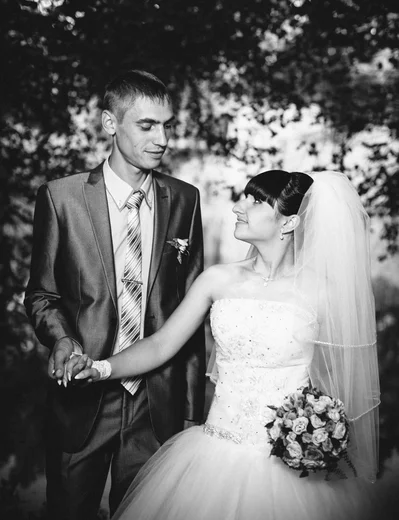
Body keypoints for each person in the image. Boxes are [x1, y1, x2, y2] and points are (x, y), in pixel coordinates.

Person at [66, 170, 381, 520]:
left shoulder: (322, 293)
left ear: (290, 222)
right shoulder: (217, 279)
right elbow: (159, 345)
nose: (238, 208)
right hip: (212, 456)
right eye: (243, 196)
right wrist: (100, 368)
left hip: (287, 469)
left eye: (256, 200)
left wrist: (320, 431)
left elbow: (337, 381)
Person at [24, 70, 206, 520]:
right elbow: (42, 295)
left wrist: (191, 411)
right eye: (146, 125)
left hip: (154, 402)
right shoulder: (60, 198)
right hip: (83, 397)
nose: (162, 138)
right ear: (110, 123)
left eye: (167, 125)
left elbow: (191, 311)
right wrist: (62, 340)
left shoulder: (186, 200)